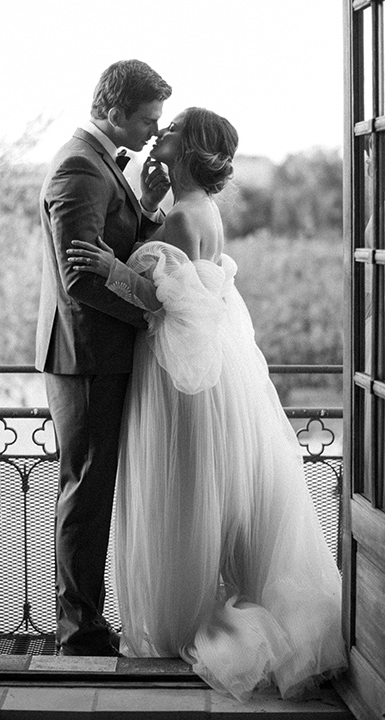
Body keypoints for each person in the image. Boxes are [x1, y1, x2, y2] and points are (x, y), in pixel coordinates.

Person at [66, 107, 348, 699]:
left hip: (180, 382)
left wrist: (110, 267)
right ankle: (213, 606)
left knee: (185, 497)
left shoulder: (185, 217)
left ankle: (196, 625)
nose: (159, 133)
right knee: (211, 499)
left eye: (169, 129)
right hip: (211, 374)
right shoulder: (196, 211)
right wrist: (146, 210)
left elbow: (170, 303)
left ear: (188, 148)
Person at [35, 59, 172, 657]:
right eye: (146, 120)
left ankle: (84, 621)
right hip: (86, 357)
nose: (150, 132)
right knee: (86, 494)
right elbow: (80, 279)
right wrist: (153, 312)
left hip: (98, 355)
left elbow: (110, 248)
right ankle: (81, 633)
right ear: (113, 111)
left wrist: (143, 207)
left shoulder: (99, 167)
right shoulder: (77, 167)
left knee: (91, 490)